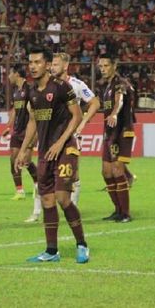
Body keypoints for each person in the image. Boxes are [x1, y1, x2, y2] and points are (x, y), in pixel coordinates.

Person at [16, 45, 89, 264]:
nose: (33, 66)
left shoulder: (61, 87)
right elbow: (32, 121)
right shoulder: (31, 91)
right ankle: (51, 250)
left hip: (65, 149)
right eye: (31, 62)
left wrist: (59, 142)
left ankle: (82, 245)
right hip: (44, 153)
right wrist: (24, 149)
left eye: (38, 62)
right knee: (47, 200)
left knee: (63, 198)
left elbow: (76, 116)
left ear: (48, 65)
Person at [50, 53, 100, 206]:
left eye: (56, 64)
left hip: (71, 134)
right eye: (51, 64)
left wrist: (84, 122)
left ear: (65, 66)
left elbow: (95, 102)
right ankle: (39, 211)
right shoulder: (48, 84)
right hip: (51, 134)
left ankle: (73, 206)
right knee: (47, 171)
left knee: (73, 172)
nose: (52, 68)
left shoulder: (77, 84)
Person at [97, 56, 136, 222]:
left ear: (114, 65)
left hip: (122, 131)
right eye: (101, 66)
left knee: (117, 170)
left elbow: (119, 101)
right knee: (106, 172)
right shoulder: (105, 86)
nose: (103, 69)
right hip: (110, 133)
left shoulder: (120, 83)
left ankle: (125, 213)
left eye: (106, 65)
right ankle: (117, 210)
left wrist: (114, 113)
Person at [2, 66, 41, 222]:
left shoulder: (30, 89)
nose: (9, 76)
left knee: (25, 161)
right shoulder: (16, 91)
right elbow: (15, 111)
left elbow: (34, 113)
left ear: (17, 74)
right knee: (13, 159)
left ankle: (38, 183)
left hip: (28, 131)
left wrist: (34, 136)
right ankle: (20, 191)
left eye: (10, 73)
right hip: (17, 131)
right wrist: (8, 126)